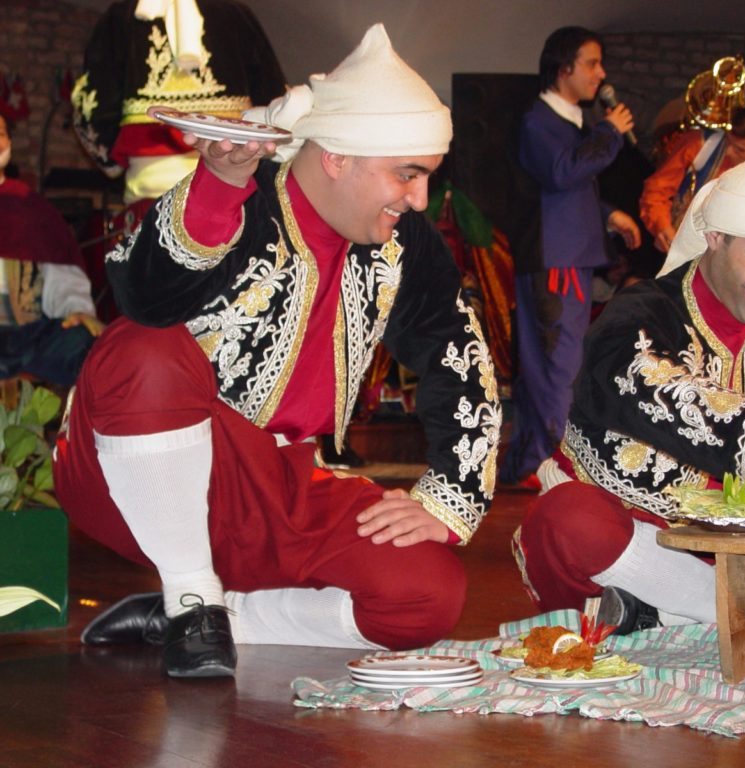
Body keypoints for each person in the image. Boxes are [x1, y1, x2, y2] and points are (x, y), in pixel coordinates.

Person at [56, 24, 501, 678]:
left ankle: (200, 613)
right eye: (408, 175)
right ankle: (193, 595)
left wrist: (446, 499)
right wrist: (213, 188)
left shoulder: (407, 248)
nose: (418, 199)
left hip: (283, 487)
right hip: (140, 464)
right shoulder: (245, 199)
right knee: (145, 348)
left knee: (426, 594)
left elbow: (460, 358)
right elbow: (142, 297)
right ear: (337, 157)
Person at [513, 126, 745, 633]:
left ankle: (658, 615)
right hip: (633, 533)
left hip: (739, 541)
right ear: (715, 237)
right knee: (566, 522)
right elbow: (664, 397)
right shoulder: (641, 311)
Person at [500, 26, 641, 487]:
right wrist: (609, 132)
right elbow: (562, 173)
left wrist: (609, 214)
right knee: (557, 368)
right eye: (592, 64)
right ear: (564, 68)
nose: (601, 74)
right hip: (554, 261)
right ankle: (549, 468)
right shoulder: (538, 121)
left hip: (567, 255)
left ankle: (528, 464)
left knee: (553, 366)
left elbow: (565, 189)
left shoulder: (565, 123)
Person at [71, 0, 287, 221]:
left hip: (149, 188)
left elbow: (93, 106)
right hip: (233, 189)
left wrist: (113, 163)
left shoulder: (123, 16)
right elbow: (273, 101)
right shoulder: (237, 14)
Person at [0, 114, 104, 385]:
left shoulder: (32, 209)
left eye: (1, 133)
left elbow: (63, 280)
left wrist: (77, 310)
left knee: (88, 346)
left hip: (28, 342)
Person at [639, 100, 745, 254]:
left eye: (741, 149)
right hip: (674, 250)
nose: (729, 152)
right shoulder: (699, 144)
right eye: (728, 141)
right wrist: (662, 227)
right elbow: (655, 192)